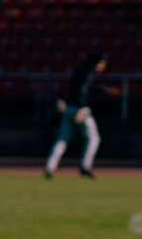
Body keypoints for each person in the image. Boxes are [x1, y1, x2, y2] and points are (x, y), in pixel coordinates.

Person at [45, 51, 106, 179]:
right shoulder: (88, 72)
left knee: (62, 140)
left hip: (69, 108)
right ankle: (85, 166)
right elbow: (82, 90)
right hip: (80, 109)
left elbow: (84, 89)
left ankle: (50, 167)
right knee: (94, 138)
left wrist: (103, 90)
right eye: (102, 63)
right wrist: (82, 109)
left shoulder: (81, 71)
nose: (103, 66)